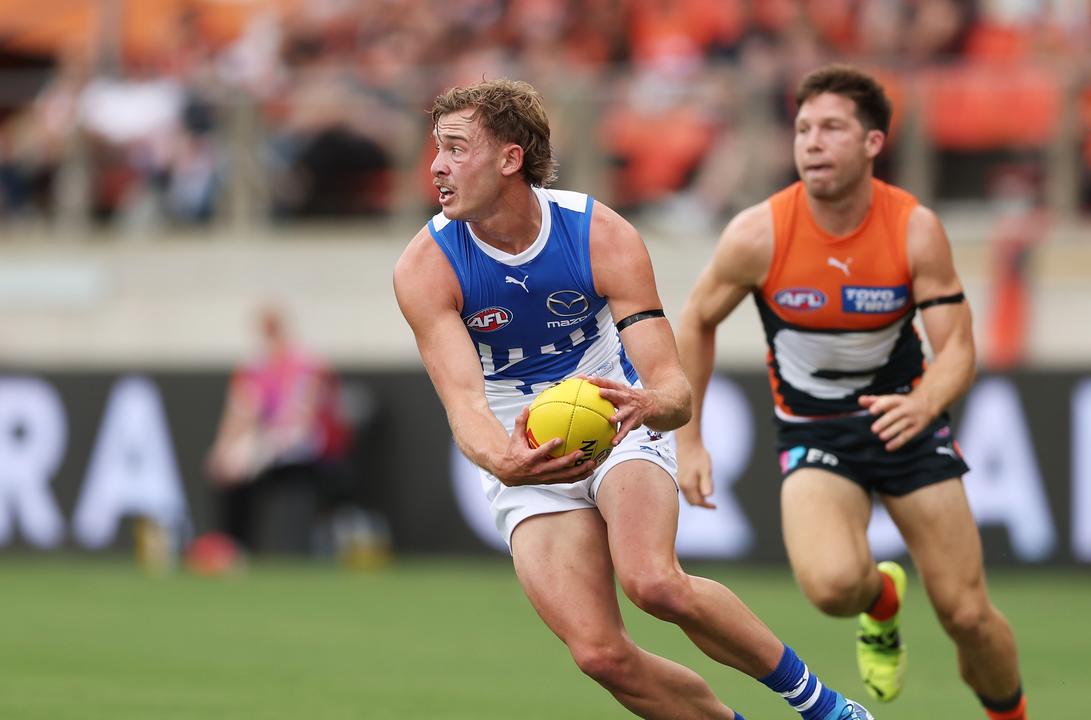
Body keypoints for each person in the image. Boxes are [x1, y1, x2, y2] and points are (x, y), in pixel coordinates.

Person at [393, 78, 871, 720]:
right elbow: (467, 407)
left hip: (616, 414)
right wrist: (504, 462)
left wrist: (648, 407)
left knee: (653, 583)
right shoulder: (426, 267)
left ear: (509, 158)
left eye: (455, 147)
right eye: (436, 148)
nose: (437, 166)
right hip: (521, 445)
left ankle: (825, 709)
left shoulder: (598, 235)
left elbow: (671, 387)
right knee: (599, 655)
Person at [675, 64, 1030, 720]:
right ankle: (882, 602)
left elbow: (959, 348)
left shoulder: (912, 228)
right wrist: (688, 437)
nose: (811, 142)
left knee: (968, 616)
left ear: (872, 144)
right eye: (803, 128)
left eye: (832, 128)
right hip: (814, 430)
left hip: (907, 423)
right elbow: (695, 319)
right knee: (834, 587)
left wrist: (925, 404)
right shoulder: (760, 233)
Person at [205, 304, 352, 553]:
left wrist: (268, 443)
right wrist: (224, 449)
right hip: (269, 441)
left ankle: (294, 547)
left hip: (303, 444)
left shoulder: (307, 363)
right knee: (232, 465)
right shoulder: (254, 367)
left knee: (266, 451)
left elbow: (305, 416)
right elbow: (242, 412)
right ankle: (234, 545)